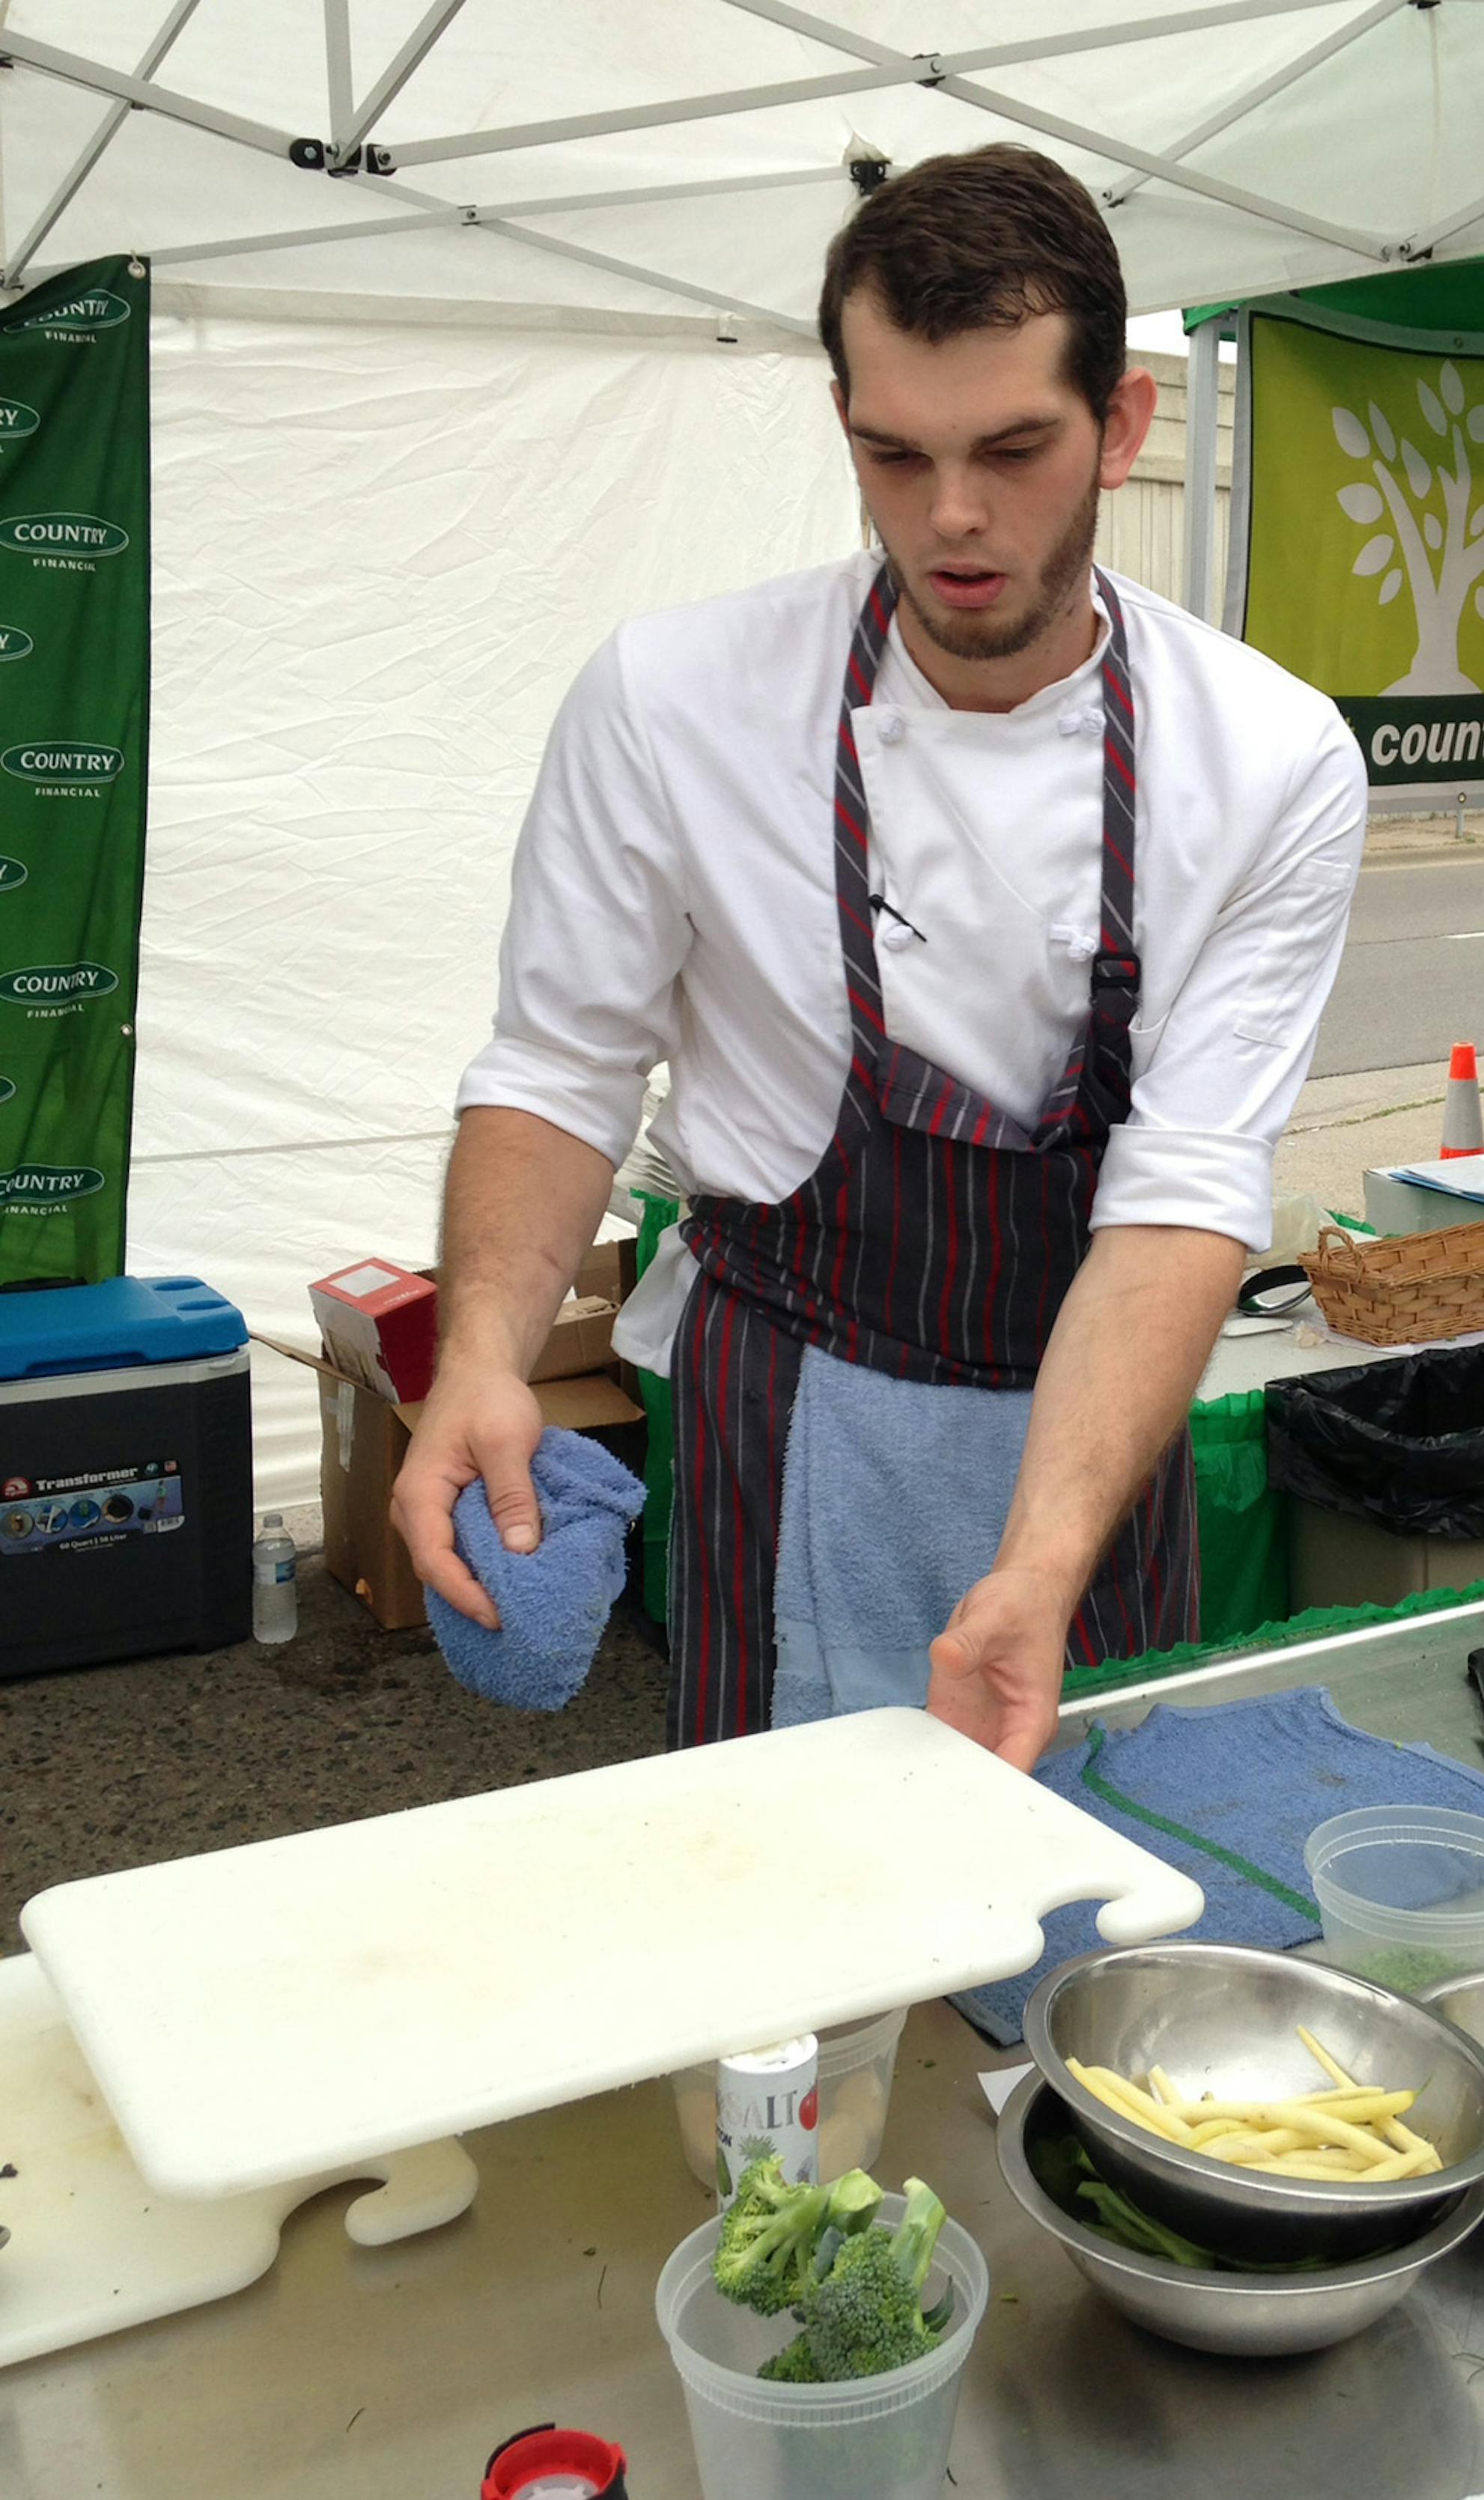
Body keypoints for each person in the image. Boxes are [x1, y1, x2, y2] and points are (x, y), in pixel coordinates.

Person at [392, 145, 1366, 1773]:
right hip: (790, 1410)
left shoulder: (1266, 756)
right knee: (791, 1930)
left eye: (1013, 448)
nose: (953, 517)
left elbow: (1187, 1183)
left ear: (1121, 426)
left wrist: (1043, 1556)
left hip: (1092, 1407)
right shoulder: (671, 700)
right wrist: (482, 1349)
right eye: (893, 456)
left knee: (1082, 1904)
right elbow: (561, 1062)